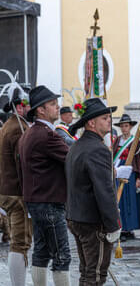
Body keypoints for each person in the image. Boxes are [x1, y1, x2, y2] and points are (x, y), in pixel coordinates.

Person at [66, 98, 123, 284]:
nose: (110, 121)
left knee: (87, 271)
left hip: (76, 216)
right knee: (96, 275)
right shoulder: (98, 149)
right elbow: (104, 191)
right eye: (105, 117)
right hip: (93, 222)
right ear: (92, 122)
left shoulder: (77, 146)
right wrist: (114, 225)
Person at [18, 85, 71, 285]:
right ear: (41, 109)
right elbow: (72, 158)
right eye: (53, 104)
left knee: (41, 251)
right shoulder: (46, 135)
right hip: (49, 201)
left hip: (36, 201)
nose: (58, 107)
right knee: (61, 255)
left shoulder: (29, 133)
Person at [0, 85, 32, 285]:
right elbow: (24, 166)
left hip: (8, 192)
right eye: (29, 105)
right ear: (20, 107)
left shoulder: (9, 125)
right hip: (17, 194)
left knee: (18, 241)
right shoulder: (18, 128)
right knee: (20, 242)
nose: (33, 109)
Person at [112, 114, 140, 241]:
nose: (124, 128)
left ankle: (130, 228)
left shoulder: (135, 141)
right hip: (118, 171)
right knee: (119, 200)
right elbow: (112, 155)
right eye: (122, 126)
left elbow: (138, 159)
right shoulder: (117, 140)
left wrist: (138, 177)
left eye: (126, 126)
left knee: (131, 201)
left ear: (130, 127)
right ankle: (121, 229)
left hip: (130, 172)